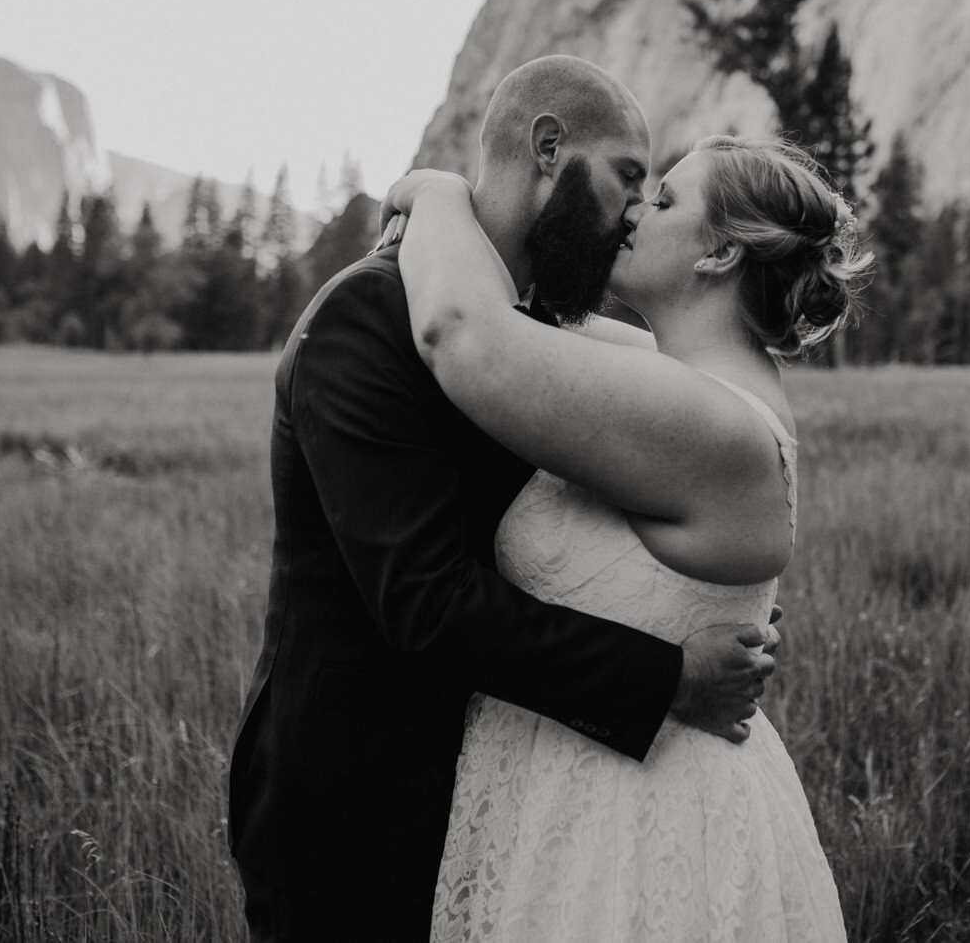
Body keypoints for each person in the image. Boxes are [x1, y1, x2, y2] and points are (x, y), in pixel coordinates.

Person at [226, 56, 779, 942]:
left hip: (490, 804)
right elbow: (424, 599)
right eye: (627, 177)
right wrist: (668, 677)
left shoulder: (526, 338)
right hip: (347, 813)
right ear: (550, 149)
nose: (636, 211)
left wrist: (704, 601)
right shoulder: (364, 319)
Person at [381, 132, 871, 940]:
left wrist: (435, 193)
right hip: (564, 796)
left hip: (640, 831)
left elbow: (463, 335)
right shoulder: (677, 375)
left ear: (718, 253)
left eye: (667, 200)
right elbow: (519, 321)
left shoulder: (711, 421)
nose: (636, 209)